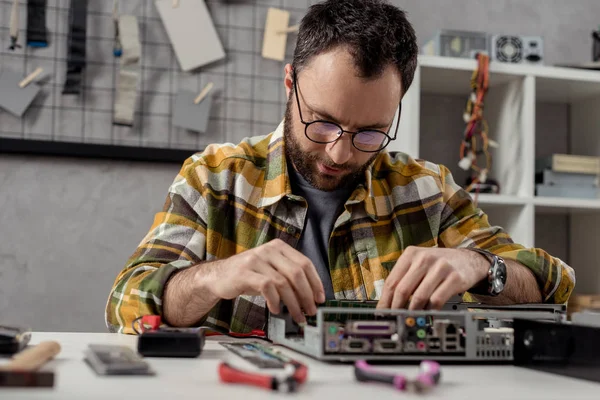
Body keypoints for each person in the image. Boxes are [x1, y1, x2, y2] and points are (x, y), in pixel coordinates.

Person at [105, 0, 575, 334]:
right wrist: (216, 276)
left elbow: (555, 286)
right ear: (289, 84)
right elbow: (125, 301)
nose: (339, 153)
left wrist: (478, 265)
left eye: (371, 132)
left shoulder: (427, 191)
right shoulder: (213, 178)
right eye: (323, 122)